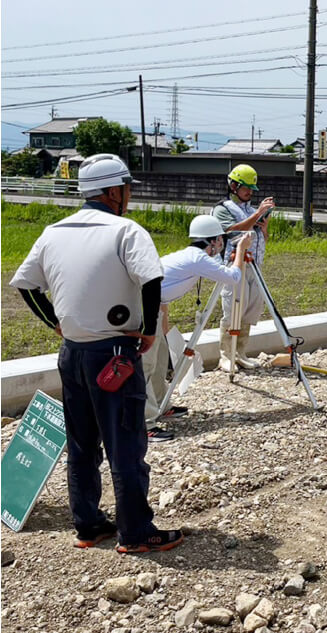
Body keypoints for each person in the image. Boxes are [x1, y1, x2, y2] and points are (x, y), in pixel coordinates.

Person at [10, 153, 183, 554]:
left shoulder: (53, 232)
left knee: (83, 443)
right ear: (112, 191)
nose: (128, 195)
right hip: (115, 353)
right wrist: (148, 330)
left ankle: (88, 524)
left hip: (72, 353)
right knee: (125, 443)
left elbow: (27, 285)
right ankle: (137, 532)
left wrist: (55, 321)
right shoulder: (126, 230)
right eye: (125, 188)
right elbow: (151, 279)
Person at [143, 215, 253, 438]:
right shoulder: (197, 258)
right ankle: (145, 425)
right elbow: (233, 276)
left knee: (160, 360)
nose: (222, 244)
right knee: (146, 367)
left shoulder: (192, 255)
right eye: (220, 240)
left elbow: (163, 297)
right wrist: (241, 249)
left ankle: (161, 406)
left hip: (152, 308)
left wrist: (164, 332)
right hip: (142, 311)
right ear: (212, 241)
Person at [212, 164, 275, 372]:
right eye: (246, 188)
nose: (249, 192)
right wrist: (257, 214)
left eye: (252, 189)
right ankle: (226, 355)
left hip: (255, 266)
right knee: (232, 310)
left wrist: (263, 228)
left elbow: (259, 237)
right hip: (234, 265)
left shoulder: (249, 209)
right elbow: (231, 230)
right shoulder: (223, 208)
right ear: (233, 185)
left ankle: (240, 353)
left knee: (249, 310)